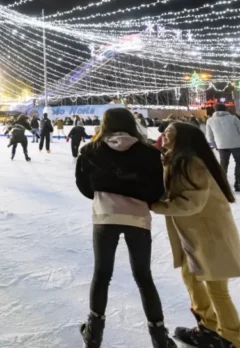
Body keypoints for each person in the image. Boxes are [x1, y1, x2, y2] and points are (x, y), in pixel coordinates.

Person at [75, 108, 174, 348]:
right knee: (143, 277)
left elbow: (83, 185)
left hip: (104, 217)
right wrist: (138, 197)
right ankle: (159, 338)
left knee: (102, 274)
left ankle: (93, 334)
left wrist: (104, 195)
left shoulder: (90, 150)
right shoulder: (150, 153)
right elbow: (157, 189)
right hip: (137, 218)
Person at [152, 122, 240, 348]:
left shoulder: (191, 163)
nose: (164, 134)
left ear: (183, 137)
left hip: (210, 233)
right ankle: (207, 327)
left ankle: (233, 340)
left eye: (169, 132)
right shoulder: (176, 159)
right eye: (164, 131)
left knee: (217, 290)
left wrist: (156, 205)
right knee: (191, 278)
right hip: (192, 234)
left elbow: (191, 202)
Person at [206, 104, 240, 192]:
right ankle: (238, 183)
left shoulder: (210, 120)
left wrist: (216, 145)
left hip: (222, 146)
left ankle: (223, 184)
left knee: (223, 164)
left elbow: (210, 136)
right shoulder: (233, 118)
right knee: (239, 163)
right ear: (226, 109)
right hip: (236, 145)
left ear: (214, 110)